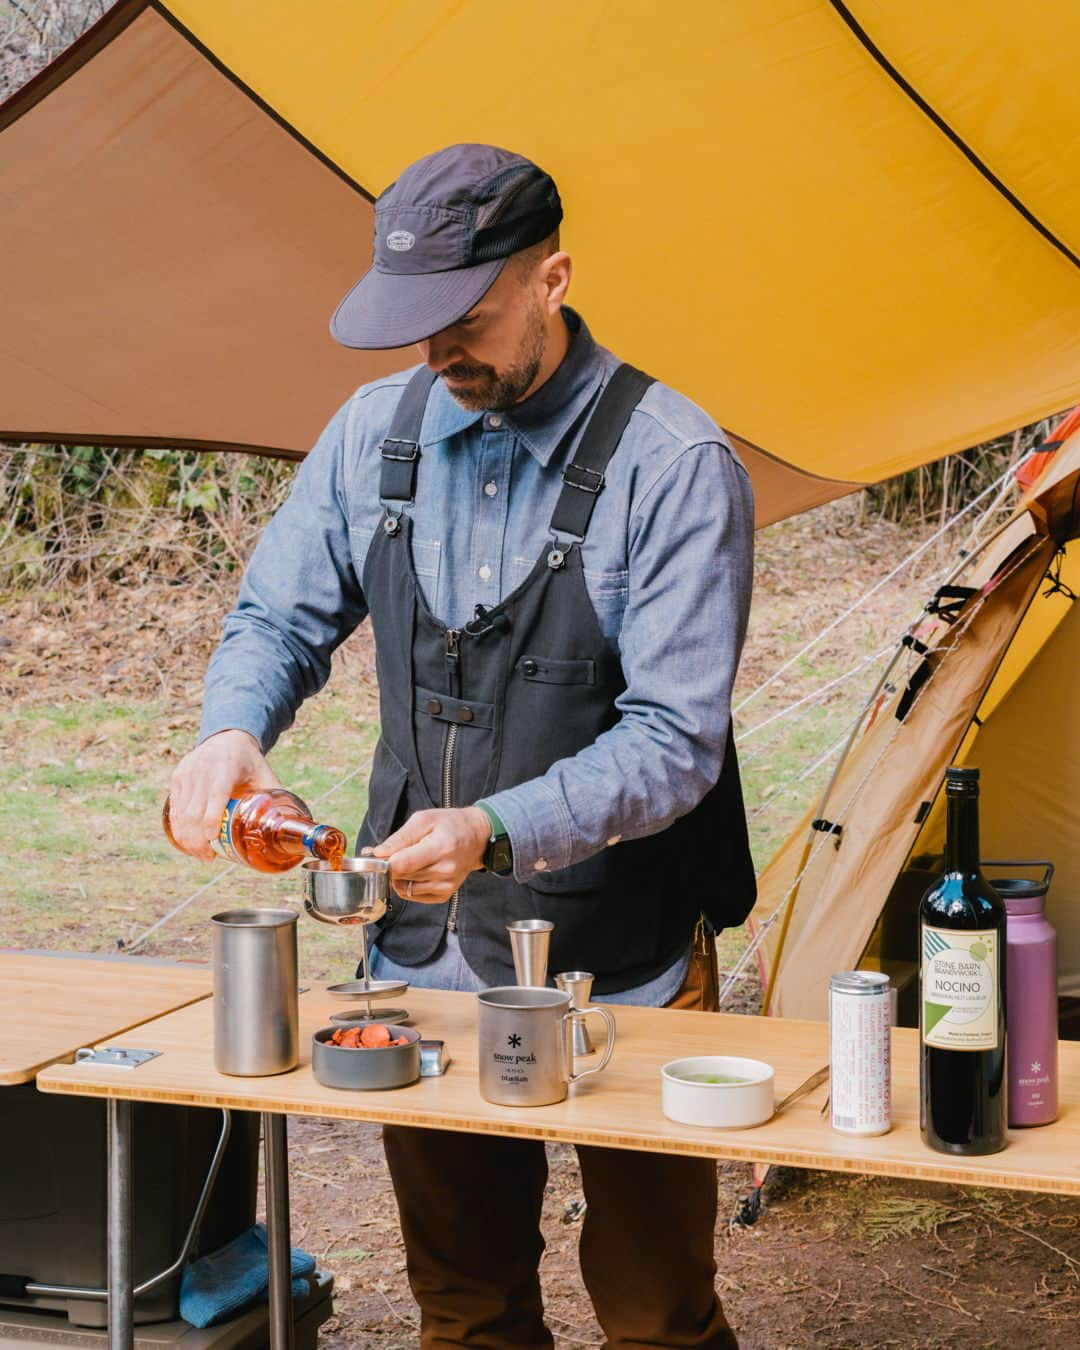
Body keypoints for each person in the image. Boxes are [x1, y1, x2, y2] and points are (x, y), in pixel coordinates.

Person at [168, 143, 756, 1349]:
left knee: (656, 1316)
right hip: (424, 964)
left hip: (622, 958)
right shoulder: (368, 437)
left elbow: (675, 740)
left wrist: (497, 830)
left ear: (554, 279)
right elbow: (280, 616)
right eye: (416, 327)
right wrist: (232, 729)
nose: (441, 355)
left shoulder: (674, 464)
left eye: (469, 320)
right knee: (467, 1307)